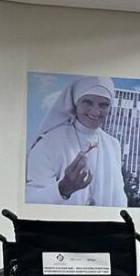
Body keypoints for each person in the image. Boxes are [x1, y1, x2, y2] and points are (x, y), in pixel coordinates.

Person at [26, 75, 127, 206]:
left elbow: (119, 196)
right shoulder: (49, 141)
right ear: (76, 103)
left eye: (103, 105)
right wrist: (62, 189)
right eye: (88, 102)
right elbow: (29, 197)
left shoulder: (113, 144)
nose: (96, 112)